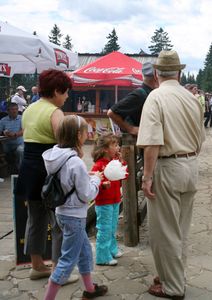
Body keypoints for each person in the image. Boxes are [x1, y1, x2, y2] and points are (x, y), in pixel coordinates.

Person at [137, 50, 205, 299]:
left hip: (168, 166)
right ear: (179, 72)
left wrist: (147, 177)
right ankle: (171, 275)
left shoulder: (155, 98)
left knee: (164, 232)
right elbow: (200, 141)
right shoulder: (191, 98)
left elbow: (152, 143)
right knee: (180, 230)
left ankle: (173, 286)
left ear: (156, 73)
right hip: (190, 165)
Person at [14, 69, 76, 282]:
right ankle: (59, 270)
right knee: (58, 222)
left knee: (35, 220)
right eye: (66, 92)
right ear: (57, 90)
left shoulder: (29, 109)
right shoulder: (55, 112)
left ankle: (37, 265)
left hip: (29, 169)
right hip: (49, 171)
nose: (67, 97)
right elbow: (64, 142)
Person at [43, 115, 108, 300]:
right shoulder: (75, 161)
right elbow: (87, 194)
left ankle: (89, 289)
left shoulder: (56, 155)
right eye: (85, 131)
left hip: (62, 212)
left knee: (85, 252)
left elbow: (67, 181)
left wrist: (86, 177)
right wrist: (96, 179)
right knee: (67, 261)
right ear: (78, 135)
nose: (88, 134)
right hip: (74, 216)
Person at [91, 133, 127, 266]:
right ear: (105, 149)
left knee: (112, 227)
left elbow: (124, 176)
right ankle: (102, 256)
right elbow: (92, 181)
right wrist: (101, 184)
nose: (118, 147)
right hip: (104, 202)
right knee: (104, 228)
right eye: (115, 144)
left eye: (118, 144)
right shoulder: (98, 165)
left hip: (115, 199)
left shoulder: (114, 162)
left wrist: (122, 162)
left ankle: (111, 249)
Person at [107, 62, 158, 135]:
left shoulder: (151, 93)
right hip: (139, 142)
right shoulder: (140, 94)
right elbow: (111, 113)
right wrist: (130, 128)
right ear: (156, 77)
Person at [0, 102, 24, 171]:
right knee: (2, 150)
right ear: (8, 111)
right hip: (6, 144)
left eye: (16, 109)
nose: (15, 111)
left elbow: (24, 130)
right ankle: (4, 171)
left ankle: (20, 170)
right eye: (12, 109)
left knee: (21, 150)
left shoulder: (21, 118)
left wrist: (15, 134)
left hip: (19, 143)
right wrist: (4, 133)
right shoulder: (3, 120)